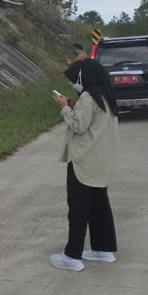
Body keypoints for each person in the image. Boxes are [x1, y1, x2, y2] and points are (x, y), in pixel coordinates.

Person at [51, 59, 119, 272]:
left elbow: (78, 125)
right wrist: (73, 105)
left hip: (84, 161)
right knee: (99, 206)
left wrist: (63, 108)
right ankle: (102, 249)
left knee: (78, 209)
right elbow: (88, 120)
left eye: (74, 80)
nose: (73, 84)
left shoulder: (89, 97)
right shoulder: (104, 95)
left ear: (83, 77)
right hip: (100, 161)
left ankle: (72, 255)